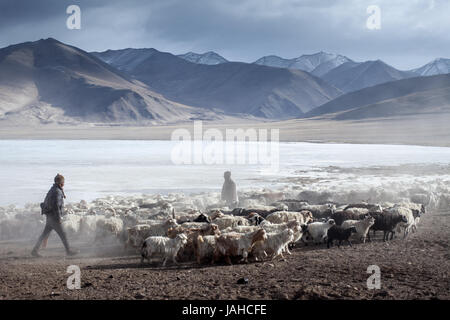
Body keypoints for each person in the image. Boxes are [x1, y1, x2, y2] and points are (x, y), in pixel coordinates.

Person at [31, 174, 77, 257]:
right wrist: (59, 218)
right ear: (61, 183)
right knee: (63, 234)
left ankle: (34, 250)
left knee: (44, 234)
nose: (64, 184)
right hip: (54, 217)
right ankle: (69, 251)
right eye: (63, 182)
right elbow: (56, 206)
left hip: (50, 216)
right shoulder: (57, 192)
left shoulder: (53, 189)